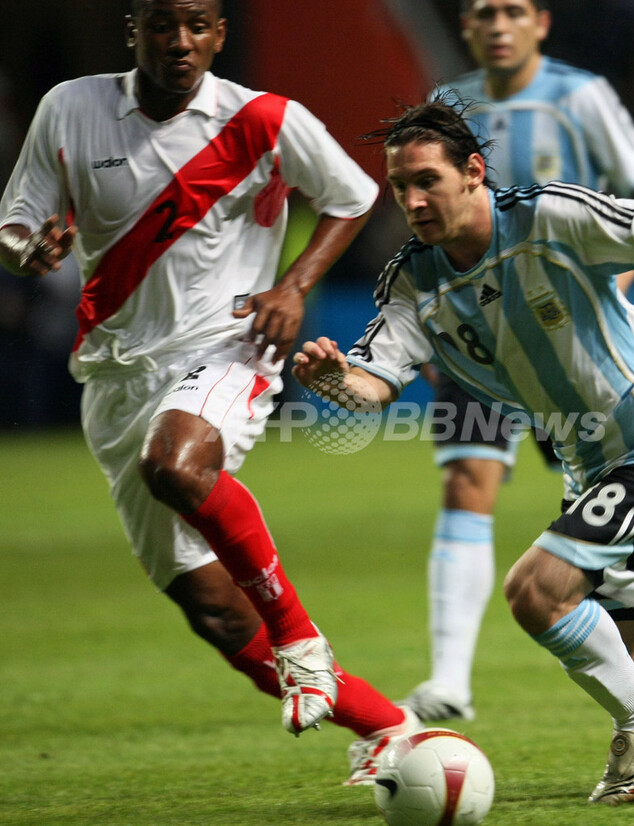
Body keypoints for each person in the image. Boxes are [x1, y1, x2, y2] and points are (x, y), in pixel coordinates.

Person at [292, 100, 634, 804]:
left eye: (427, 181)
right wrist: (331, 381)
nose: (412, 201)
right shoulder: (412, 280)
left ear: (473, 172)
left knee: (536, 592)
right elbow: (372, 387)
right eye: (400, 186)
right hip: (589, 469)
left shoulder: (548, 217)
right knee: (615, 643)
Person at [0, 0, 421, 786]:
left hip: (229, 346)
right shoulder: (71, 107)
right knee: (217, 612)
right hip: (115, 375)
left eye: (198, 25)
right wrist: (27, 249)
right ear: (136, 30)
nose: (181, 41)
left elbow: (352, 193)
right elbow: (16, 221)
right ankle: (391, 728)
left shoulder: (262, 118)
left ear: (220, 35)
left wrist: (294, 285)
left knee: (177, 464)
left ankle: (300, 641)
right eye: (164, 25)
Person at [401, 0, 634, 724]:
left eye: (512, 11)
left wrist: (611, 287)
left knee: (620, 482)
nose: (497, 25)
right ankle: (450, 680)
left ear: (541, 22)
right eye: (482, 13)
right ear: (466, 27)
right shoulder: (447, 104)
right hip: (478, 329)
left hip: (568, 332)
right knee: (466, 479)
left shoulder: (579, 95)